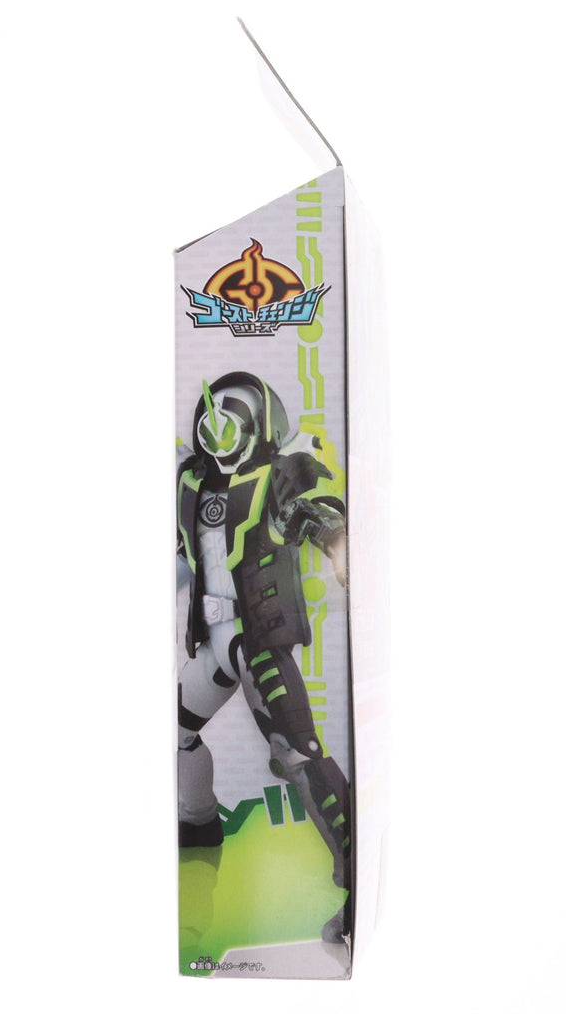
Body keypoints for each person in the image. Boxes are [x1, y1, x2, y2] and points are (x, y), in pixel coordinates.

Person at [176, 371, 351, 942]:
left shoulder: (276, 473)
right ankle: (197, 837)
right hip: (214, 644)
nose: (219, 441)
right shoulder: (190, 483)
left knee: (299, 754)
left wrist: (335, 540)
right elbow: (183, 555)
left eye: (231, 429)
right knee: (176, 734)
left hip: (259, 643)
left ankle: (353, 879)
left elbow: (314, 507)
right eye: (212, 430)